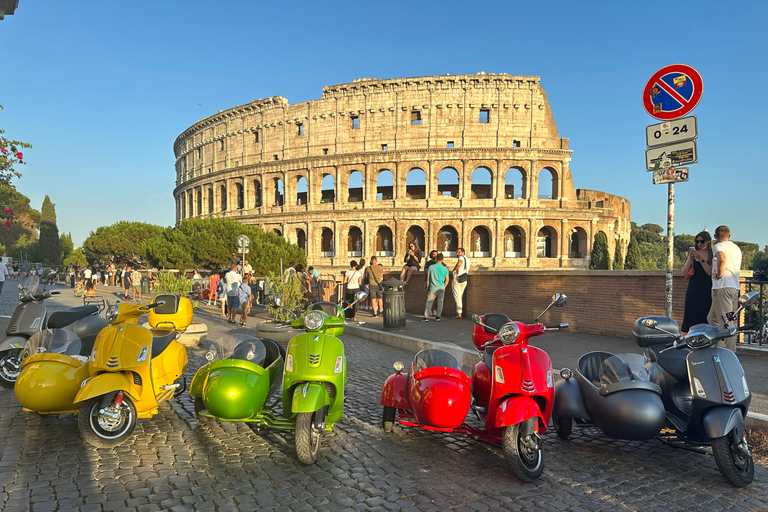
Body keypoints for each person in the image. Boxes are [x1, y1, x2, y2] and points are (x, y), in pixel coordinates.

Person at [708, 225, 742, 351]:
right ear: (729, 236)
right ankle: (719, 347)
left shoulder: (718, 246)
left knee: (726, 322)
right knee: (712, 318)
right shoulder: (736, 248)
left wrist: (719, 274)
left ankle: (730, 352)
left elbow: (722, 258)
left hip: (722, 286)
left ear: (715, 236)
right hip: (733, 286)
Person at [681, 231, 713, 335]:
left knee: (705, 315)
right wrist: (691, 259)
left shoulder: (712, 254)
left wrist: (701, 258)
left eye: (702, 241)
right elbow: (684, 272)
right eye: (697, 241)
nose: (699, 244)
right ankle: (684, 340)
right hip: (693, 288)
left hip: (706, 289)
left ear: (708, 242)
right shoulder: (693, 254)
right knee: (689, 315)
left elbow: (709, 272)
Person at [422, 253, 450, 322]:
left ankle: (426, 317)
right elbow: (447, 280)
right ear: (442, 259)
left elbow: (428, 278)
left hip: (432, 287)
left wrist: (427, 287)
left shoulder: (431, 267)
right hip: (441, 287)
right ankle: (438, 316)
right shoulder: (445, 269)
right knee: (440, 302)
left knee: (429, 302)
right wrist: (444, 286)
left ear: (436, 258)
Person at [451, 247, 471, 319]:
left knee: (457, 296)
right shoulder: (468, 259)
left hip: (458, 278)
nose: (457, 254)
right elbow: (471, 267)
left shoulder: (461, 258)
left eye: (459, 252)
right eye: (457, 252)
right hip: (464, 279)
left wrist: (454, 269)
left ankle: (459, 314)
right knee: (460, 296)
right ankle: (460, 312)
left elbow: (459, 263)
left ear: (463, 252)